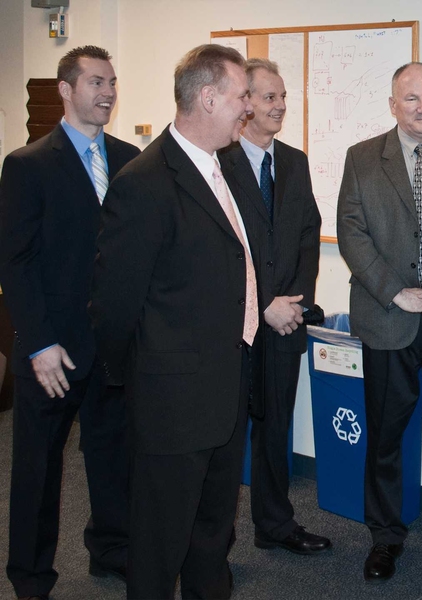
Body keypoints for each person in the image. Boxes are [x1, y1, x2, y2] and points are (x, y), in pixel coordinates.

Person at [90, 44, 259, 599]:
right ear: (208, 98)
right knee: (161, 542)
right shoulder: (146, 181)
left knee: (213, 532)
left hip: (223, 388)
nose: (248, 110)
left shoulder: (225, 164)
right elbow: (116, 304)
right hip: (171, 401)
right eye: (240, 98)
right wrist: (138, 381)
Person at [0, 45, 138, 600]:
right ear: (66, 88)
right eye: (96, 82)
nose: (107, 92)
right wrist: (37, 344)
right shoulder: (28, 164)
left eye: (112, 83)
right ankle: (30, 577)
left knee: (112, 458)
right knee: (37, 468)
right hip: (52, 350)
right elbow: (17, 262)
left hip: (112, 346)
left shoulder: (130, 159)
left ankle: (110, 551)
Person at [336, 62, 422, 583]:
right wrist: (398, 293)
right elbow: (351, 234)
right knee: (385, 438)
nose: (421, 107)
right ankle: (385, 539)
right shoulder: (363, 158)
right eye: (410, 98)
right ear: (393, 104)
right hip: (389, 320)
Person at [219, 58, 330, 557]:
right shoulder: (217, 163)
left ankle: (275, 523)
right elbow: (219, 252)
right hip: (232, 328)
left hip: (286, 323)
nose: (280, 105)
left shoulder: (294, 161)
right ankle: (213, 540)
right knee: (224, 435)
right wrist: (262, 304)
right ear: (244, 105)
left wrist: (293, 303)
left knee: (276, 429)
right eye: (268, 97)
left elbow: (308, 234)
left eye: (283, 96)